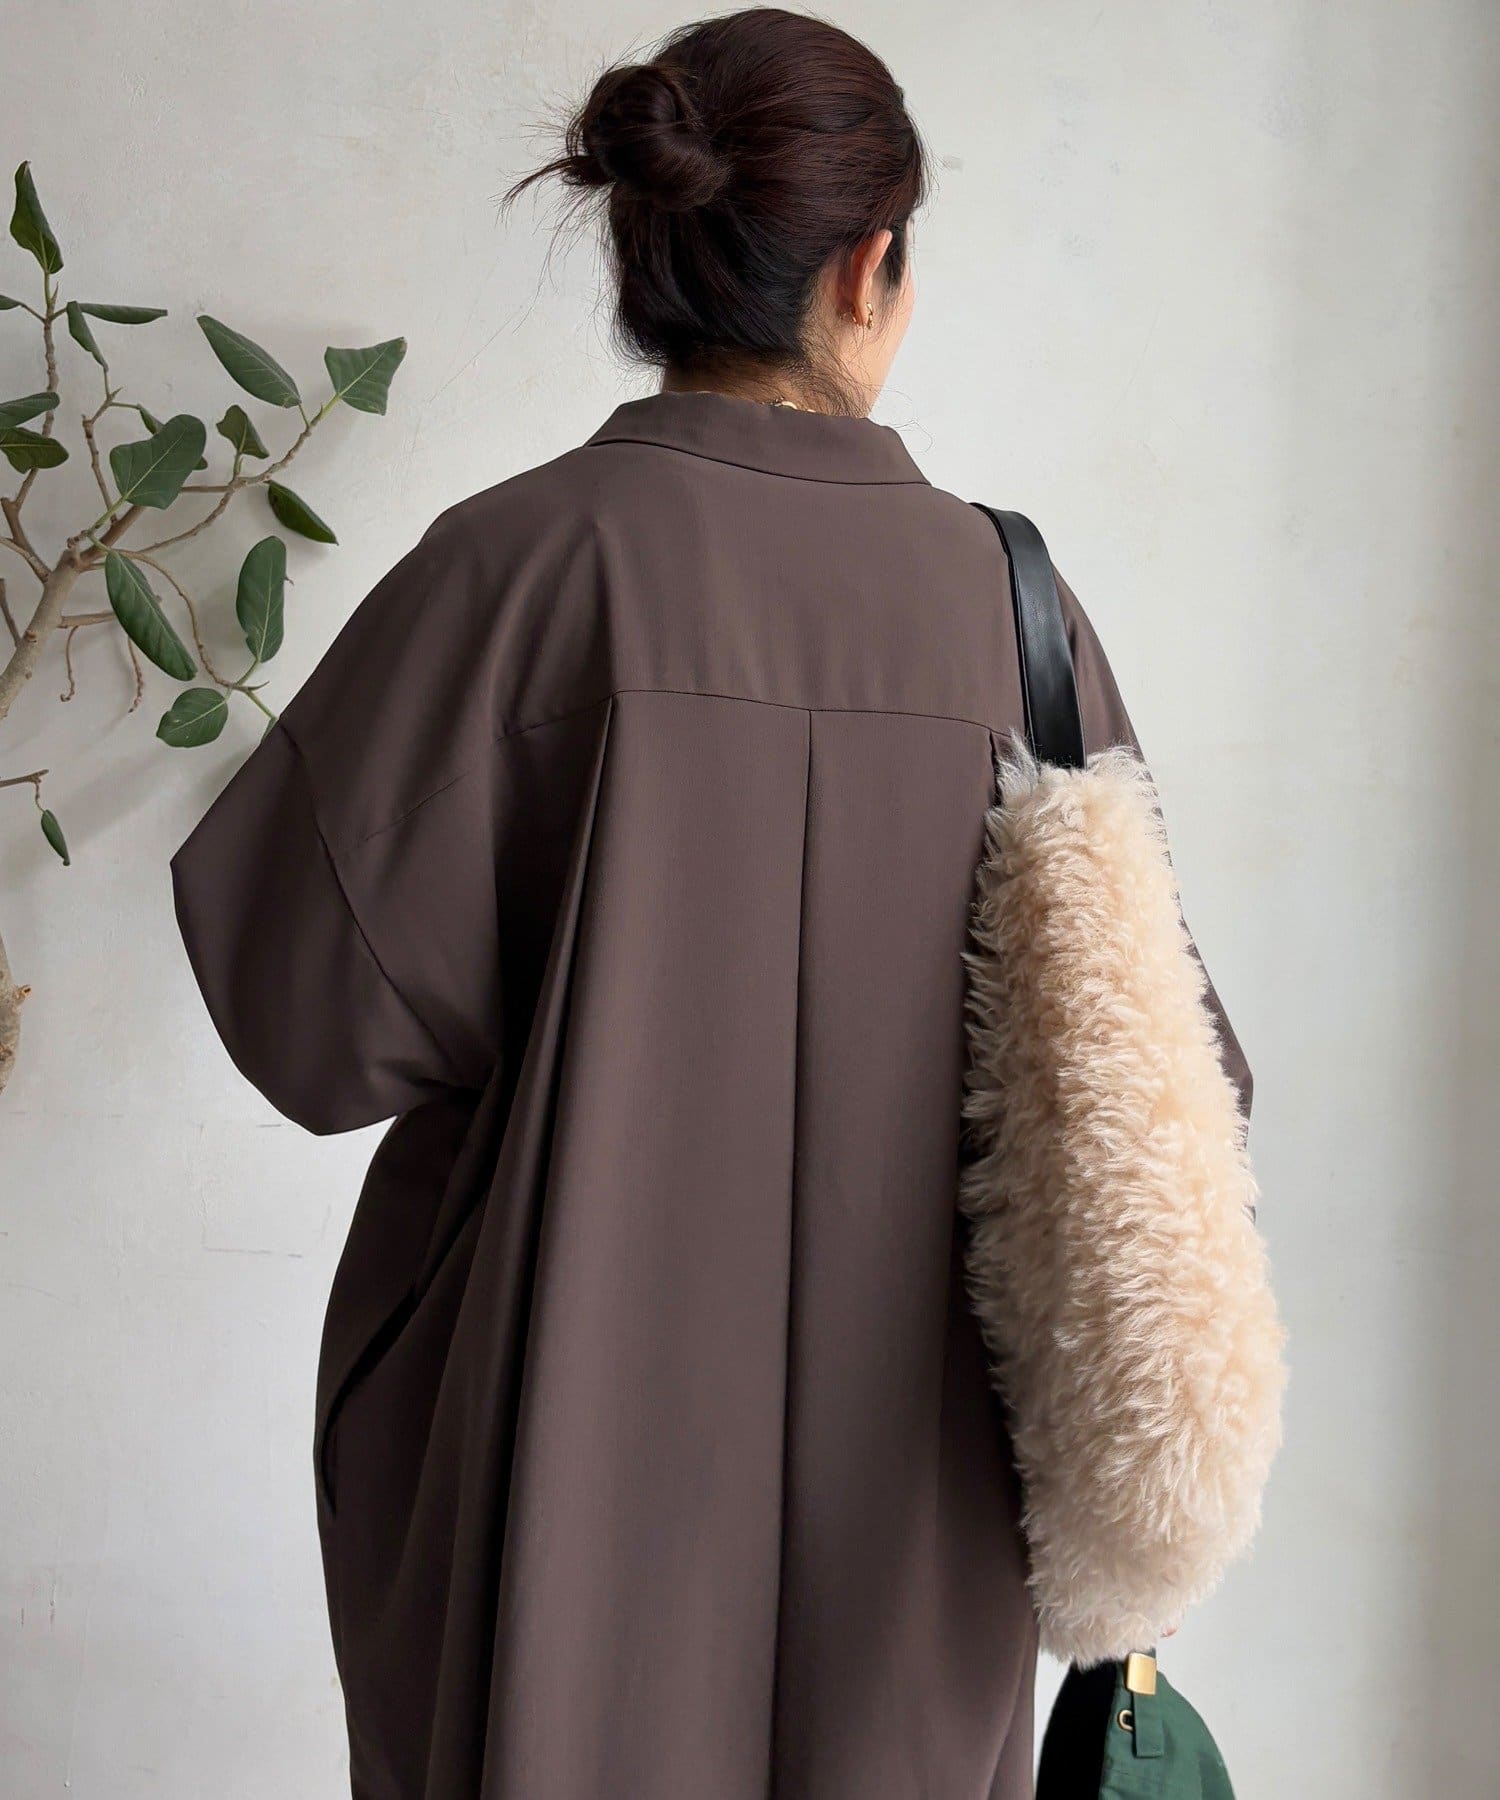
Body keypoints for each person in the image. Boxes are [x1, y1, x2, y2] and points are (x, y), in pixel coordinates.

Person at [171, 9, 1251, 1797]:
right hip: (918, 1499)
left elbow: (308, 1021)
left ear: (649, 257)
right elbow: (1170, 1089)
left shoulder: (515, 568)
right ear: (872, 268)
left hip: (553, 1480)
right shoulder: (1013, 616)